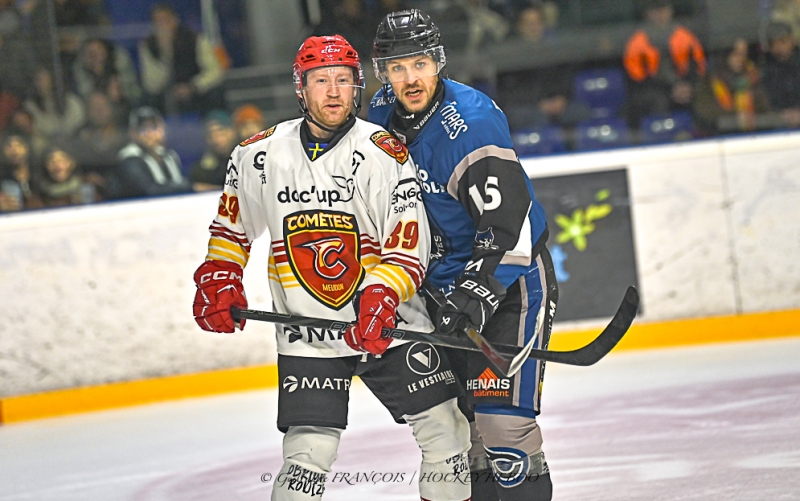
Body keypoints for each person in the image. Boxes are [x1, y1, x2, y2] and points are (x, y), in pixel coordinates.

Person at [191, 34, 471, 501]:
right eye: (321, 80)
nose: (334, 91)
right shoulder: (258, 155)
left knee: (445, 431)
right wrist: (220, 277)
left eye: (343, 79)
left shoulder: (385, 152)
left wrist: (382, 296)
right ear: (301, 88)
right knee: (307, 453)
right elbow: (231, 230)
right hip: (310, 332)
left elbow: (408, 243)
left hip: (388, 323)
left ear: (358, 85)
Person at [368, 10, 557, 501]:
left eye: (420, 64)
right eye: (397, 68)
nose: (410, 79)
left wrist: (476, 293)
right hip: (440, 292)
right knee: (466, 443)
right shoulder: (377, 117)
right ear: (382, 73)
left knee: (505, 441)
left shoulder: (470, 125)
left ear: (439, 62)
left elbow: (508, 227)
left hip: (510, 285)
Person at [622, 0, 706, 128]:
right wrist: (670, 90)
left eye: (663, 10)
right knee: (657, 100)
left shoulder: (686, 36)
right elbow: (637, 79)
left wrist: (687, 86)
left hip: (684, 85)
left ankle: (700, 135)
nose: (660, 15)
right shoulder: (637, 42)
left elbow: (698, 67)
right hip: (653, 91)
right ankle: (664, 137)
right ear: (647, 14)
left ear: (671, 11)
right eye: (655, 11)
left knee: (702, 94)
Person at [139, 3, 225, 115]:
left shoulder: (195, 39)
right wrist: (165, 54)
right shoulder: (148, 45)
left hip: (195, 89)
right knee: (146, 101)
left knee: (215, 93)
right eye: (157, 22)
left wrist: (193, 87)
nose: (162, 25)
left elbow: (215, 71)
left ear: (174, 20)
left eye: (165, 20)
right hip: (166, 93)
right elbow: (151, 84)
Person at [109, 106, 190, 199]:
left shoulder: (170, 156)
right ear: (133, 134)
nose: (149, 133)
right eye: (143, 129)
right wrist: (190, 186)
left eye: (154, 127)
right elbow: (149, 190)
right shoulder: (129, 159)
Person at [760, 21, 800, 129]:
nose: (779, 48)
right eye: (774, 44)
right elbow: (763, 100)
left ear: (792, 40)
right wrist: (779, 115)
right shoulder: (765, 68)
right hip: (777, 127)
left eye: (783, 42)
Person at [189, 110, 237, 191]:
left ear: (232, 132)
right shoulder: (203, 167)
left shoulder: (244, 157)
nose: (216, 139)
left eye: (221, 133)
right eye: (211, 134)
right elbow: (197, 185)